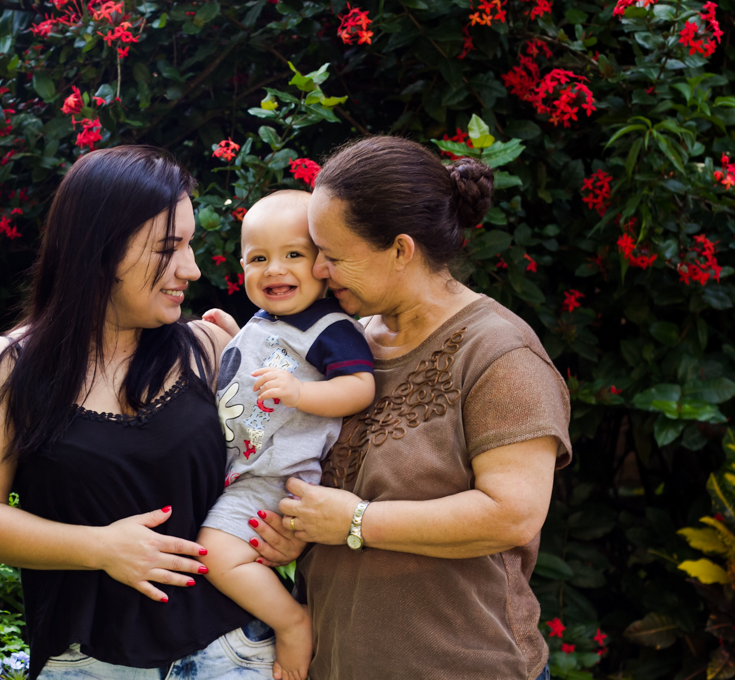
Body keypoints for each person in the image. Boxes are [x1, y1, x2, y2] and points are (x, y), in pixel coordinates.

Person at [0, 146, 277, 680]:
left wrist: (279, 523)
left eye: (190, 245)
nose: (189, 269)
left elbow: (271, 466)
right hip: (90, 662)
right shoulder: (4, 368)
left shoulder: (210, 347)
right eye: (168, 248)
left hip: (237, 653)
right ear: (100, 248)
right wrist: (99, 546)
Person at [243, 136, 572, 680]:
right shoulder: (341, 344)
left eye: (333, 254)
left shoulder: (498, 354)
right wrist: (295, 529)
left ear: (400, 250)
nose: (319, 270)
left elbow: (511, 515)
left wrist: (355, 522)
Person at [198, 191, 375, 680]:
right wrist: (234, 332)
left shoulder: (329, 327)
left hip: (277, 475)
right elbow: (261, 365)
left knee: (215, 552)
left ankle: (292, 622)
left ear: (323, 262)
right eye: (259, 258)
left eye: (293, 255)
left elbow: (360, 387)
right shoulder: (266, 321)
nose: (274, 269)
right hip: (247, 467)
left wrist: (300, 393)